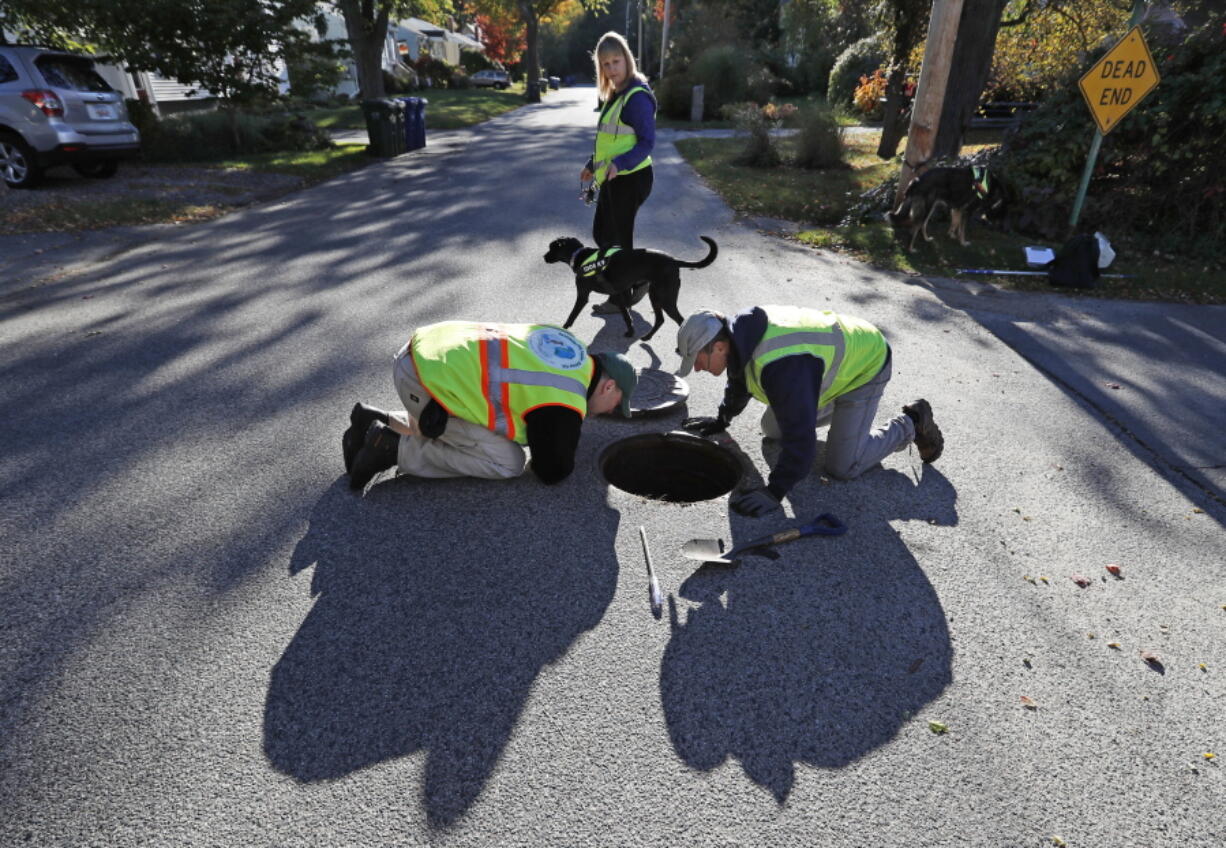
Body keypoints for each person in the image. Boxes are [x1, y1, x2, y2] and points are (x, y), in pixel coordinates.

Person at [674, 306, 944, 517]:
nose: (697, 369)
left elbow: (801, 440)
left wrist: (775, 491)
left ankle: (911, 422)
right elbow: (739, 381)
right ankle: (845, 421)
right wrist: (723, 419)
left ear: (718, 346)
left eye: (697, 360)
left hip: (865, 365)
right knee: (772, 429)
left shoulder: (781, 366)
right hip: (821, 369)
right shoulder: (740, 335)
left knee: (842, 466)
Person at [343, 321, 638, 490]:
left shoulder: (567, 345)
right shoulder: (565, 400)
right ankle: (392, 447)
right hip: (426, 384)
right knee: (508, 462)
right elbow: (552, 472)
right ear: (608, 385)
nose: (612, 411)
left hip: (422, 352)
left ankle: (375, 420)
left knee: (476, 424)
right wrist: (565, 438)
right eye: (617, 402)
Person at [581, 31, 656, 314]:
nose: (612, 69)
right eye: (605, 64)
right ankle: (639, 279)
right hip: (614, 176)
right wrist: (592, 165)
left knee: (617, 241)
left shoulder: (637, 97)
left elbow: (647, 142)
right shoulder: (616, 94)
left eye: (616, 61)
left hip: (631, 177)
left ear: (627, 59)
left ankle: (623, 296)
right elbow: (611, 140)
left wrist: (620, 164)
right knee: (602, 234)